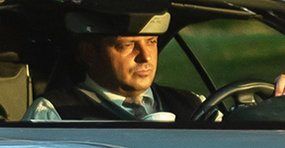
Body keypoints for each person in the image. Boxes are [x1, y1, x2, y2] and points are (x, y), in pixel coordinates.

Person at [28, 9, 197, 123]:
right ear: (89, 53)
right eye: (127, 45)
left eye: (151, 42)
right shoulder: (53, 114)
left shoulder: (195, 105)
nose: (146, 56)